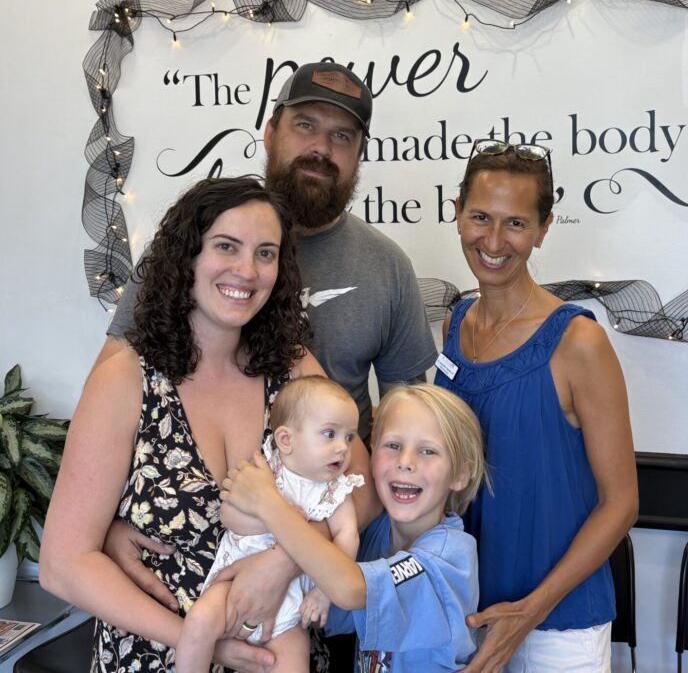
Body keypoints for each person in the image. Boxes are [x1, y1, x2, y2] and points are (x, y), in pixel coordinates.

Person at [98, 61, 436, 670]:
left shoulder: (383, 271)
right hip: (168, 612)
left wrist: (288, 556)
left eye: (342, 136)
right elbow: (115, 412)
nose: (321, 148)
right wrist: (106, 525)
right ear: (271, 131)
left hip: (312, 582)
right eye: (306, 125)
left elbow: (390, 459)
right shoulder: (186, 249)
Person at [39, 177, 349, 672]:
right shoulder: (125, 379)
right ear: (187, 256)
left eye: (265, 254)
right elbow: (63, 565)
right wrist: (198, 642)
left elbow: (360, 492)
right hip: (153, 656)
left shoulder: (293, 370)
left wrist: (284, 561)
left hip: (278, 654)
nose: (246, 270)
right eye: (226, 246)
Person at [435, 140, 638, 673]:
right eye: (480, 217)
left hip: (559, 626)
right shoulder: (455, 324)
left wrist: (530, 611)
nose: (493, 241)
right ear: (457, 214)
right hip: (467, 612)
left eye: (516, 223)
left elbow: (621, 503)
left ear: (544, 229)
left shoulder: (578, 342)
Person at [221, 384, 490, 673]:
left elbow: (350, 589)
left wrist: (268, 503)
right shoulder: (374, 536)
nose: (405, 462)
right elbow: (321, 605)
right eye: (393, 446)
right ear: (372, 454)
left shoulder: (449, 554)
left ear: (460, 474)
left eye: (428, 451)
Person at [176, 376, 364, 673]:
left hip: (291, 610)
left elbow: (347, 536)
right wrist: (277, 519)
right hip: (232, 586)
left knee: (292, 664)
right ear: (286, 440)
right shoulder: (264, 471)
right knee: (198, 623)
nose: (342, 447)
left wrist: (323, 593)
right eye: (330, 434)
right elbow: (228, 516)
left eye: (350, 437)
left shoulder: (336, 491)